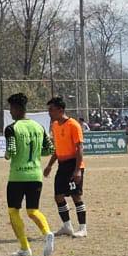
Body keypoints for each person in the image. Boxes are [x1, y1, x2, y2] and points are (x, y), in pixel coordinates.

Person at [3, 93, 55, 256]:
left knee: (13, 211)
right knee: (33, 210)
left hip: (18, 176)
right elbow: (49, 149)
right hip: (35, 175)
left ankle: (25, 248)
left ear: (17, 108)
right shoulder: (39, 127)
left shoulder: (12, 128)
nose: (10, 112)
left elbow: (11, 151)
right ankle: (47, 233)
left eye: (11, 108)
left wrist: (6, 155)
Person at [43, 96, 88, 238]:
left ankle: (82, 228)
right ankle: (67, 226)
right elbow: (57, 148)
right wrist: (50, 165)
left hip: (73, 164)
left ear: (60, 110)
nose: (49, 113)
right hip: (62, 166)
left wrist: (77, 170)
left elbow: (79, 148)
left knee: (76, 196)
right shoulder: (55, 126)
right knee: (58, 196)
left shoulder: (73, 125)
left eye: (52, 110)